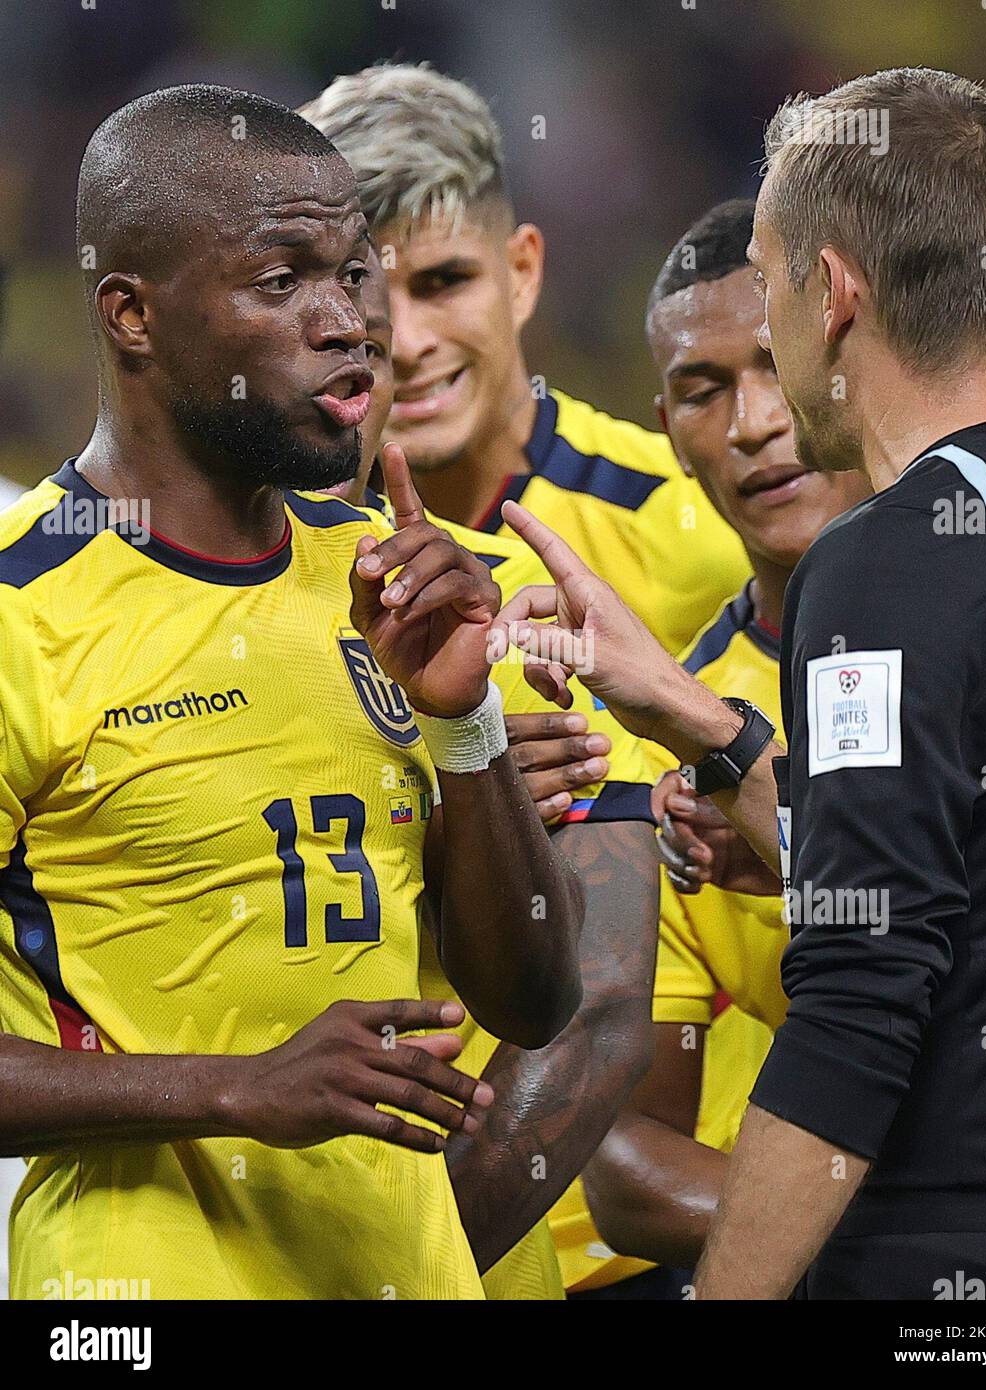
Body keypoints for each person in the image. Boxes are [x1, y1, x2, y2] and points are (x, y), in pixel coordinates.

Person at [494, 67, 986, 1300]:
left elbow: (865, 994)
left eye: (764, 279)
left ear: (832, 291)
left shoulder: (890, 557)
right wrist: (692, 717)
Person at [0, 84, 588, 1301]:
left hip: (404, 1270)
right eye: (282, 282)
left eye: (351, 273)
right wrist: (236, 1085)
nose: (349, 325)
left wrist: (463, 726)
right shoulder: (22, 615)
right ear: (132, 315)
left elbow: (533, 1002)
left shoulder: (396, 578)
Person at [322, 246, 662, 1300]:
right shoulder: (76, 605)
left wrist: (411, 1277)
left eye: (356, 337)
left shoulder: (515, 602)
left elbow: (592, 1012)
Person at [577, 198, 869, 1275]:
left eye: (771, 362)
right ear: (665, 430)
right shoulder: (653, 753)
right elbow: (620, 1159)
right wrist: (934, 1238)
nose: (750, 422)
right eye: (703, 390)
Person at [300, 63, 750, 657]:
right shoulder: (272, 539)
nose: (405, 343)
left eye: (443, 282)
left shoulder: (694, 528)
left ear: (521, 274)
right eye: (360, 285)